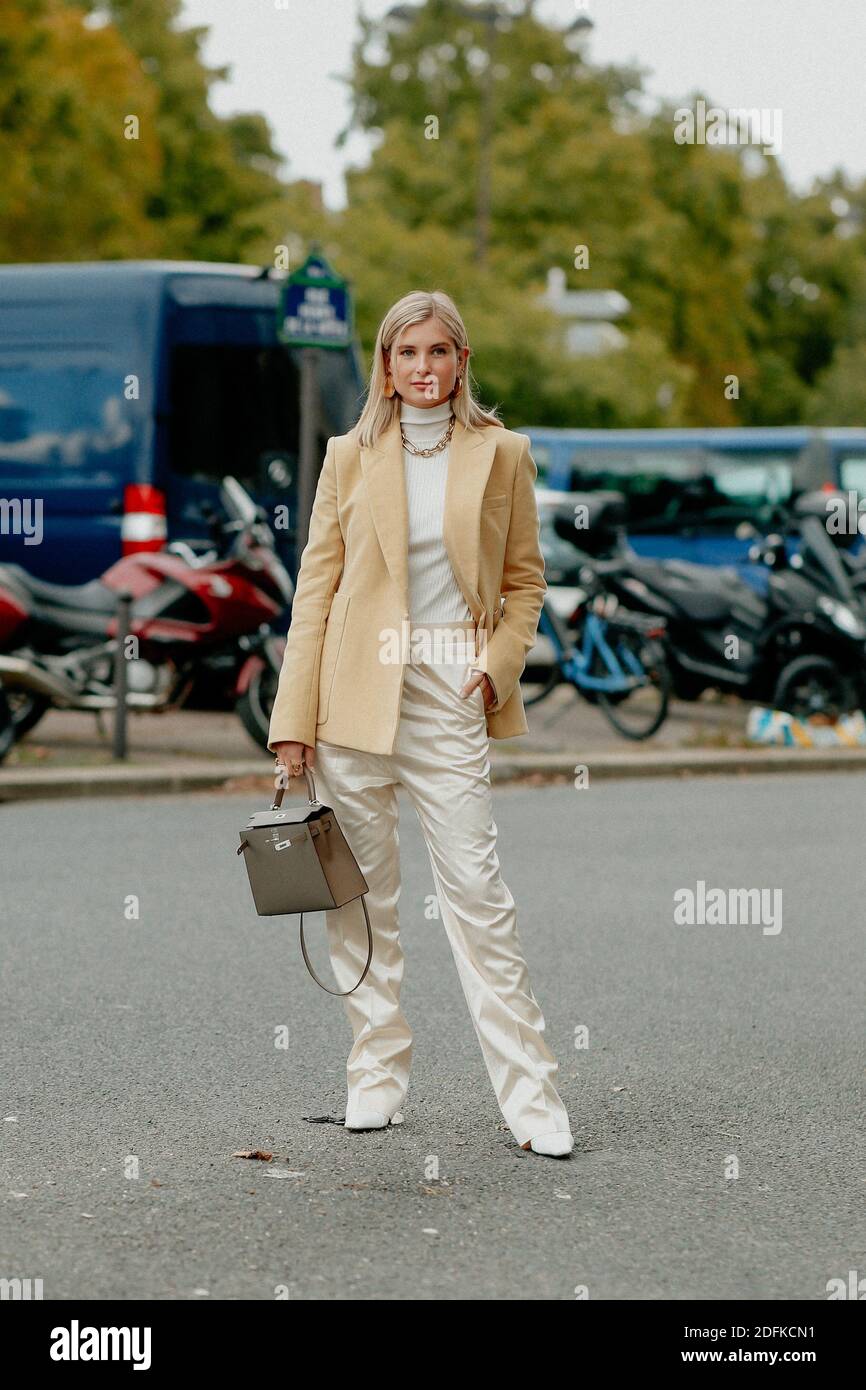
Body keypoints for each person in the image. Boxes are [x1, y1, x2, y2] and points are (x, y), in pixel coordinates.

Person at [269, 289, 573, 1158]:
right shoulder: (348, 455)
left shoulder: (503, 453)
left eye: (439, 352)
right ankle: (376, 1073)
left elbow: (524, 585)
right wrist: (295, 720)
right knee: (361, 902)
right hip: (351, 706)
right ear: (387, 366)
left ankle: (532, 1096)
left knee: (478, 898)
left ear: (461, 360)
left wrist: (493, 669)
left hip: (451, 699)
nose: (424, 368)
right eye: (408, 354)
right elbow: (315, 591)